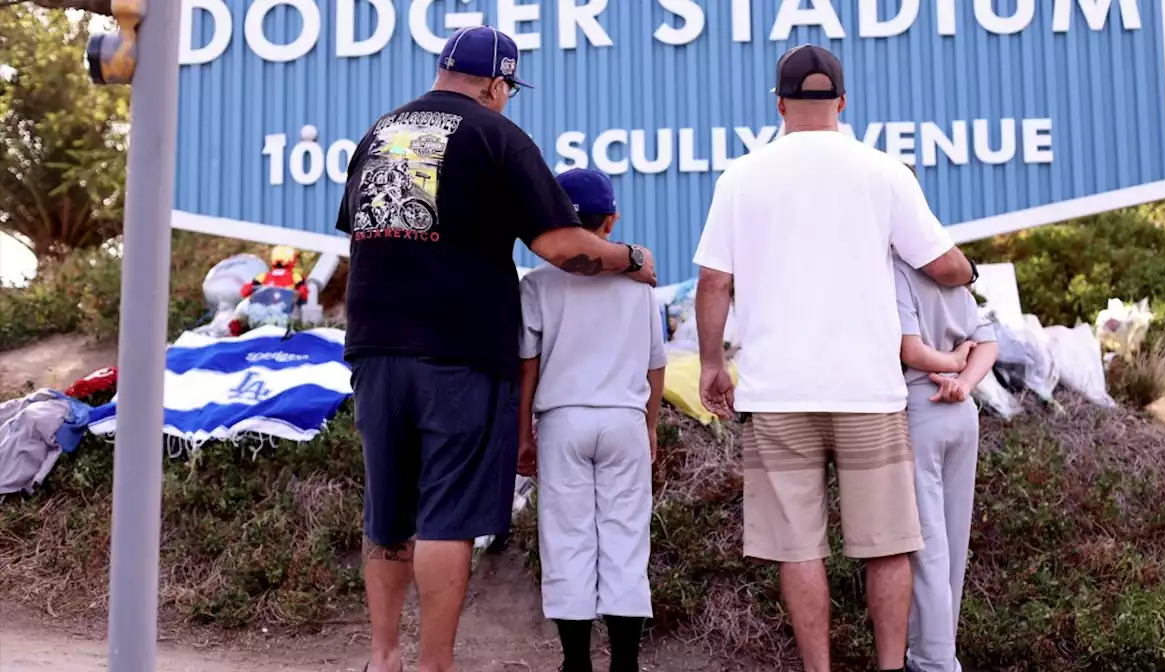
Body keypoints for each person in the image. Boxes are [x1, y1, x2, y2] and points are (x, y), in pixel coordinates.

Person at [334, 26, 657, 672]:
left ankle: (383, 656)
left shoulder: (381, 134)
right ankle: (434, 664)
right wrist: (630, 258)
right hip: (457, 351)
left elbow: (360, 234)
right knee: (445, 515)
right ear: (495, 83)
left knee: (388, 512)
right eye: (508, 87)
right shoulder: (495, 136)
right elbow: (563, 246)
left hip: (373, 346)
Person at [692, 44, 978, 672]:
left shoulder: (741, 177)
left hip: (777, 396)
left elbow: (714, 282)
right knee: (889, 547)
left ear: (779, 104)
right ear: (843, 103)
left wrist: (713, 364)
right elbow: (942, 264)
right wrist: (968, 271)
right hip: (868, 393)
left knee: (799, 549)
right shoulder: (883, 172)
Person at [516, 168, 667, 672]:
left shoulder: (536, 284)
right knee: (626, 539)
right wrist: (649, 427)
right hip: (624, 417)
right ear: (612, 221)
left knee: (567, 540)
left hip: (563, 419)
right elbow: (655, 363)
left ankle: (576, 664)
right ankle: (625, 664)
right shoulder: (640, 283)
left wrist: (523, 436)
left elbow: (527, 366)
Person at [893, 255, 998, 672]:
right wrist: (964, 383)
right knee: (955, 546)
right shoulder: (951, 271)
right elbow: (988, 342)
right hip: (961, 412)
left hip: (923, 406)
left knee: (929, 549)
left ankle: (932, 661)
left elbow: (909, 348)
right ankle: (938, 652)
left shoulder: (896, 270)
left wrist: (953, 367)